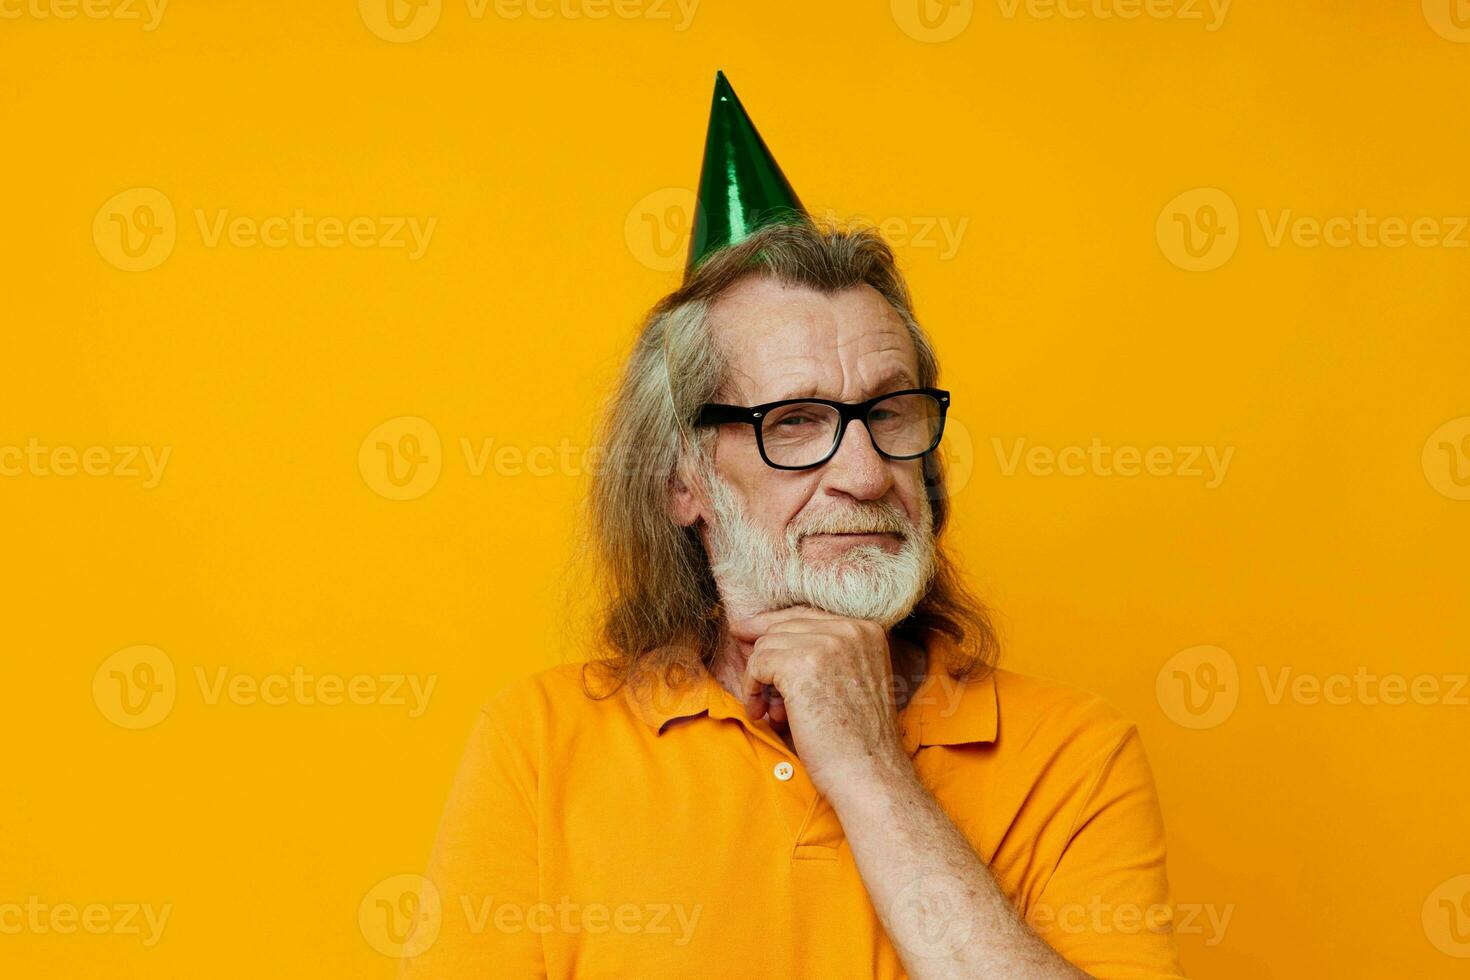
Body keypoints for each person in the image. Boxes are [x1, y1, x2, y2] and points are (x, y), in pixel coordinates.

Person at [398, 71, 1187, 980]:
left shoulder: (1072, 756)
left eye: (889, 412)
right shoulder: (541, 744)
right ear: (683, 476)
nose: (865, 472)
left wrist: (864, 761)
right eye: (796, 424)